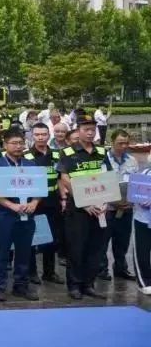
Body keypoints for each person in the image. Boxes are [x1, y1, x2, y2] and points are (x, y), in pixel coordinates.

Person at [0, 129, 41, 301]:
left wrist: (34, 203)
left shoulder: (31, 165)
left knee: (24, 252)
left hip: (27, 215)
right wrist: (11, 205)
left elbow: (39, 188)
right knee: (1, 251)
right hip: (5, 214)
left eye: (21, 143)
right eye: (14, 143)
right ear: (5, 145)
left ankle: (21, 286)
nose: (18, 146)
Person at [57, 114, 111, 300]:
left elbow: (108, 177)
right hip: (78, 208)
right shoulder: (68, 152)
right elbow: (65, 178)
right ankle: (74, 285)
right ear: (78, 131)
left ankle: (89, 284)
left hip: (100, 207)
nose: (90, 133)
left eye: (93, 130)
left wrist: (105, 202)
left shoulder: (102, 152)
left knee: (95, 248)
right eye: (86, 129)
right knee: (76, 248)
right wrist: (84, 201)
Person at [24, 122, 65, 285]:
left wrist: (63, 198)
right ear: (32, 136)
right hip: (32, 202)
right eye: (37, 135)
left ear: (49, 135)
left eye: (43, 134)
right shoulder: (26, 156)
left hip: (52, 201)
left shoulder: (57, 154)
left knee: (52, 238)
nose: (40, 137)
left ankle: (49, 272)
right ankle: (31, 272)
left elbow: (61, 178)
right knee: (32, 237)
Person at [100, 129, 138, 281]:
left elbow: (136, 184)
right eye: (120, 143)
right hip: (107, 209)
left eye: (126, 143)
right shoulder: (102, 160)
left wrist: (131, 200)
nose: (123, 146)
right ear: (112, 142)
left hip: (126, 208)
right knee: (103, 241)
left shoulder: (132, 160)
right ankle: (102, 269)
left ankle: (121, 268)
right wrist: (112, 201)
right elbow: (98, 185)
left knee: (123, 241)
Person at [132, 162, 151, 295]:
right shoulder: (144, 174)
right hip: (143, 220)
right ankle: (144, 282)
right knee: (142, 252)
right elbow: (139, 198)